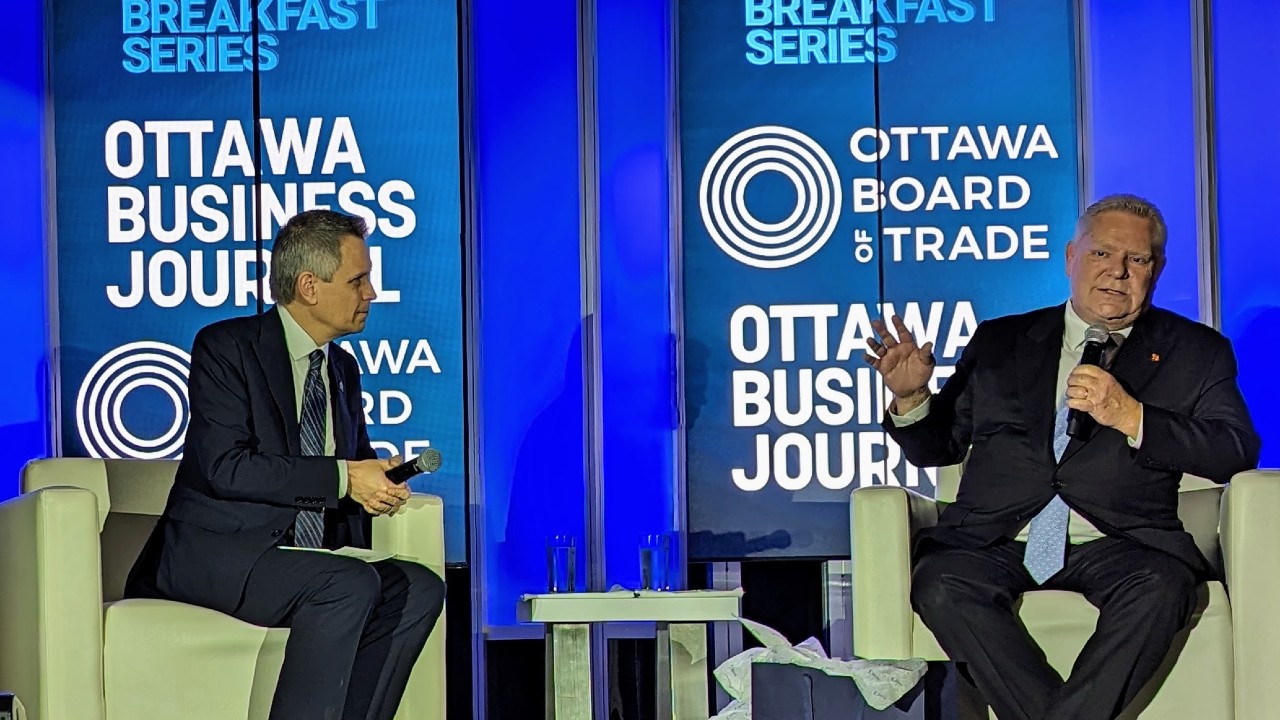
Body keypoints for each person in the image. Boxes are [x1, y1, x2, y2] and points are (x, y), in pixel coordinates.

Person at [864, 194, 1260, 720]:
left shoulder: (1196, 350)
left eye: (1136, 260)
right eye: (1101, 254)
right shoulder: (1002, 339)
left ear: (1156, 270)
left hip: (1120, 539)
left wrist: (1131, 416)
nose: (1117, 272)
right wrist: (912, 398)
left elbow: (1234, 450)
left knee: (1165, 588)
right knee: (940, 581)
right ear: (1072, 257)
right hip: (997, 536)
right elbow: (940, 446)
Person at [126, 209, 445, 720]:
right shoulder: (227, 347)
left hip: (303, 555)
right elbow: (226, 468)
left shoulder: (340, 367)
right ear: (309, 286)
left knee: (421, 586)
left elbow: (348, 472)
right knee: (346, 584)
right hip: (219, 554)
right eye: (358, 280)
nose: (372, 294)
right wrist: (344, 477)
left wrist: (374, 486)